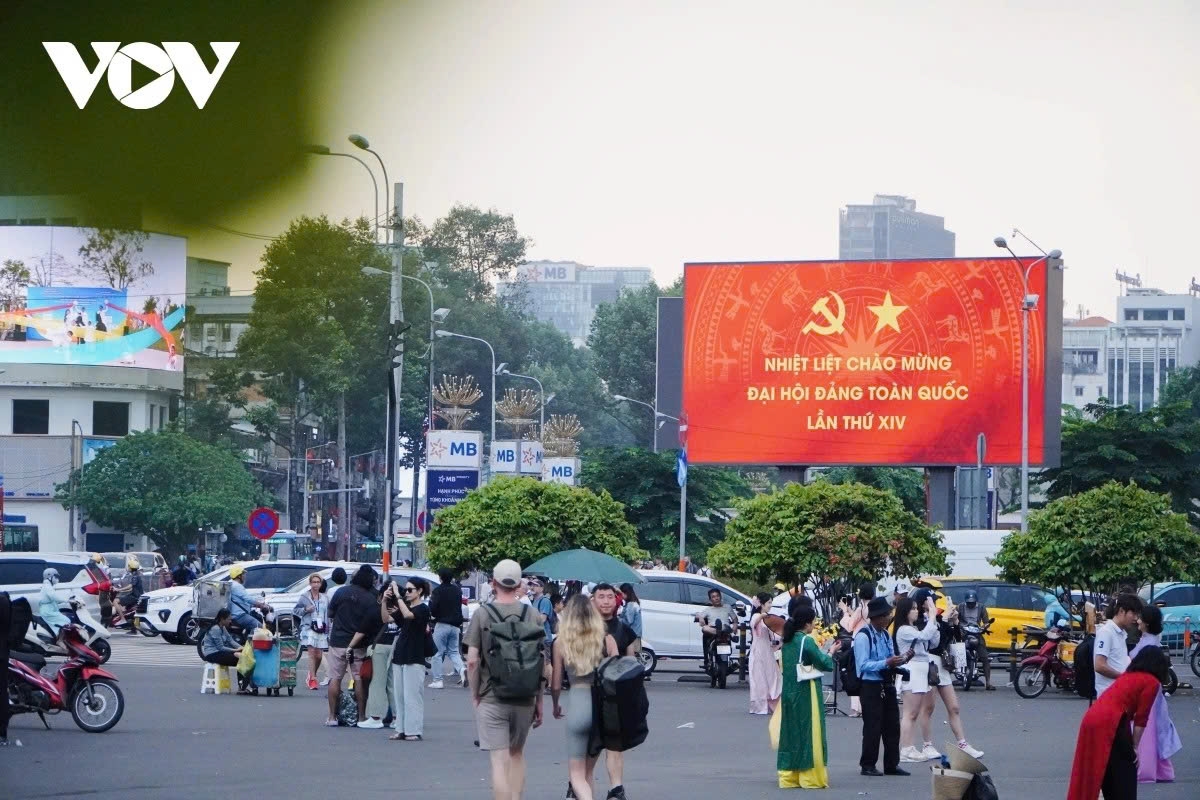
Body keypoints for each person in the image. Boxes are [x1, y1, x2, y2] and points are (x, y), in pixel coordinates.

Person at [465, 559, 545, 800]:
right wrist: (539, 700)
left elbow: (472, 660)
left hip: (492, 695)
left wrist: (476, 693)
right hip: (525, 696)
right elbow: (541, 660)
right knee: (517, 754)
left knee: (499, 760)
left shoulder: (482, 614)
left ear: (494, 583)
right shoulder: (532, 614)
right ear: (520, 584)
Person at [1067, 647, 1171, 800]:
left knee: (1100, 769)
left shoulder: (1128, 675)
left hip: (1093, 718)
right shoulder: (1151, 682)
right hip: (1112, 721)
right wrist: (1135, 747)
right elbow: (1141, 718)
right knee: (1126, 769)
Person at [896, 592, 985, 762]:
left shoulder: (927, 621)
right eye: (931, 602)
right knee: (924, 709)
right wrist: (938, 620)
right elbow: (926, 637)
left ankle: (962, 743)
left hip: (940, 664)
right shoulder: (918, 623)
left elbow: (942, 640)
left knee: (954, 707)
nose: (934, 605)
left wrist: (954, 623)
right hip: (927, 664)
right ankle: (924, 745)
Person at [552, 594, 619, 800]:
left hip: (578, 702)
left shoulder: (561, 642)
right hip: (603, 706)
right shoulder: (607, 639)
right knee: (589, 771)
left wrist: (555, 705)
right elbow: (617, 673)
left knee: (577, 775)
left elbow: (555, 683)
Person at [776, 605, 842, 789]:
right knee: (809, 733)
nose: (814, 625)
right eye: (813, 621)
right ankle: (809, 777)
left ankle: (789, 776)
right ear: (807, 623)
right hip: (806, 692)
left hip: (789, 691)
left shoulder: (787, 640)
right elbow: (825, 664)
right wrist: (831, 651)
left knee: (790, 733)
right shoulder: (807, 640)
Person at [854, 596, 911, 777]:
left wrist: (902, 660)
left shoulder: (885, 634)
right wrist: (885, 663)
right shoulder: (863, 636)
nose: (889, 618)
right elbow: (862, 665)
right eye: (887, 615)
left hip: (886, 683)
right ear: (878, 617)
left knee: (892, 726)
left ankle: (891, 764)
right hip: (870, 685)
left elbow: (890, 658)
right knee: (873, 726)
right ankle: (868, 764)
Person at [590, 583, 637, 800]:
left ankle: (616, 789)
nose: (606, 601)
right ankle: (579, 783)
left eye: (610, 597)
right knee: (590, 747)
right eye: (601, 597)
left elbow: (631, 663)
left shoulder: (625, 630)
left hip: (616, 696)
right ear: (593, 600)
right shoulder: (583, 629)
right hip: (589, 693)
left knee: (614, 743)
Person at [1128, 606, 1180, 783]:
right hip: (1150, 690)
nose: (1137, 620)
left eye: (1140, 618)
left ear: (1147, 622)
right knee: (1155, 727)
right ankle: (1160, 770)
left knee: (1147, 729)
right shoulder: (1149, 639)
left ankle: (1145, 770)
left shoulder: (1148, 643)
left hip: (1146, 691)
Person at [324, 565, 377, 727]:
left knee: (335, 677)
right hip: (358, 644)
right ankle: (361, 717)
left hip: (338, 641)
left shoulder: (341, 592)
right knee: (358, 679)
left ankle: (332, 716)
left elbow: (330, 613)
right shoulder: (370, 598)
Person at [384, 577, 431, 740]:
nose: (407, 593)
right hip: (400, 654)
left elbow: (408, 615)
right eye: (406, 590)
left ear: (420, 591)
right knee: (400, 696)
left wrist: (398, 595)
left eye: (410, 590)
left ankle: (414, 730)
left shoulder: (423, 609)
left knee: (413, 695)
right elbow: (387, 619)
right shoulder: (406, 606)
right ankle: (401, 729)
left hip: (415, 655)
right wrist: (384, 601)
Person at [361, 583, 398, 729]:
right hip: (396, 647)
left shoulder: (375, 610)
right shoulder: (402, 609)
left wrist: (350, 647)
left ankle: (375, 717)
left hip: (380, 647)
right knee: (392, 684)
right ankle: (397, 717)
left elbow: (362, 631)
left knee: (377, 682)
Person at [1095, 593, 1144, 698]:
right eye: (1133, 614)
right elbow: (1099, 665)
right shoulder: (1107, 632)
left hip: (1119, 692)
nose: (1136, 619)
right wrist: (1123, 677)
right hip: (1109, 695)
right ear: (1121, 611)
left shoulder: (1121, 633)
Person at [839, 584, 874, 717]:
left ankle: (856, 708)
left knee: (855, 673)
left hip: (858, 643)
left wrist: (844, 612)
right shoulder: (873, 607)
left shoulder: (861, 608)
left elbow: (849, 626)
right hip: (870, 643)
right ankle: (866, 706)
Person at [428, 568, 466, 688]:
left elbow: (433, 609)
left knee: (437, 653)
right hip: (455, 626)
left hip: (442, 624)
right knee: (454, 652)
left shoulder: (438, 591)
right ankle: (462, 670)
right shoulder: (457, 590)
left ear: (440, 577)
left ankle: (437, 680)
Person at [294, 573, 329, 691]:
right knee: (311, 653)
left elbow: (327, 615)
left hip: (321, 628)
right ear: (310, 583)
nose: (316, 584)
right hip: (309, 627)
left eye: (318, 582)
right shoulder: (305, 597)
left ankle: (311, 673)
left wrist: (328, 628)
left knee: (319, 655)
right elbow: (296, 610)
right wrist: (305, 609)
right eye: (313, 582)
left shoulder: (324, 598)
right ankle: (313, 679)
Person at [200, 609, 250, 692]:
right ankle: (242, 687)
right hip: (212, 654)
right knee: (241, 659)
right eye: (229, 619)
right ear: (222, 619)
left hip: (219, 652)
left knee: (243, 656)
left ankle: (243, 686)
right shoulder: (215, 629)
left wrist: (242, 648)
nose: (230, 621)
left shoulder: (222, 627)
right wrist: (235, 650)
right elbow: (220, 647)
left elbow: (231, 640)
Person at [749, 591, 782, 715]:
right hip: (758, 650)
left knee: (773, 677)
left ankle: (772, 704)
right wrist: (762, 616)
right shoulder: (757, 616)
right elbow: (753, 623)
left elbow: (775, 635)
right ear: (761, 604)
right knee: (759, 679)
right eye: (769, 602)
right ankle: (760, 705)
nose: (770, 604)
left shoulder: (768, 618)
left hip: (768, 651)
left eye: (771, 602)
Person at [954, 590, 995, 690]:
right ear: (965, 601)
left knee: (985, 657)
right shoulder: (960, 607)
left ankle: (988, 683)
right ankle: (957, 672)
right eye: (969, 602)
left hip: (977, 633)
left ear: (976, 601)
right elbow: (955, 618)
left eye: (972, 602)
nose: (970, 604)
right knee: (957, 651)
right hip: (964, 633)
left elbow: (986, 622)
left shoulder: (981, 607)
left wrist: (985, 627)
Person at [693, 587, 737, 673]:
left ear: (720, 597)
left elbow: (735, 620)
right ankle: (718, 632)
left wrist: (735, 626)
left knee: (725, 628)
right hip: (713, 631)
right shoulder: (708, 610)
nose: (716, 598)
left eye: (717, 596)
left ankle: (722, 631)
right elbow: (698, 615)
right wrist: (701, 618)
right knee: (704, 628)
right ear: (710, 600)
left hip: (725, 629)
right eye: (713, 597)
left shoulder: (727, 607)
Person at [227, 564, 270, 636]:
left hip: (237, 614)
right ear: (239, 576)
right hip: (240, 616)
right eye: (243, 574)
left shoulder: (231, 584)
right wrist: (260, 605)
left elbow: (242, 600)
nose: (245, 576)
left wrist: (254, 604)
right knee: (260, 627)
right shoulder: (236, 586)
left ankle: (247, 640)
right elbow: (247, 598)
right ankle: (251, 645)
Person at [36, 568, 70, 637]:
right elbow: (53, 596)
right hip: (48, 611)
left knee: (62, 623)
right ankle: (61, 640)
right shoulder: (47, 586)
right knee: (66, 621)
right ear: (50, 577)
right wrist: (67, 600)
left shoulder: (48, 586)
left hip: (48, 610)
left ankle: (60, 638)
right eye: (56, 577)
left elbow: (53, 598)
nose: (57, 579)